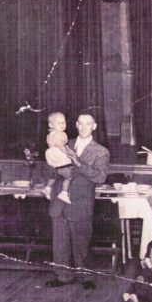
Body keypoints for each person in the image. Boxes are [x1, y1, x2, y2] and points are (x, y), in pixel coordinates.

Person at [45, 112, 109, 290]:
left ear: (94, 126)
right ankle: (63, 276)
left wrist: (79, 163)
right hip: (59, 201)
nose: (83, 127)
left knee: (81, 242)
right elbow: (48, 169)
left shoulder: (101, 151)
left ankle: (85, 276)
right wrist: (58, 172)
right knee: (59, 242)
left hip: (81, 203)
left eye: (88, 124)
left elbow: (100, 177)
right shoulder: (63, 142)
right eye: (80, 123)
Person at [44, 111, 73, 205]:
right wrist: (67, 152)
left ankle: (47, 188)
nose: (62, 124)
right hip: (59, 154)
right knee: (69, 174)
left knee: (55, 174)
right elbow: (61, 145)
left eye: (63, 122)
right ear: (51, 125)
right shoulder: (60, 134)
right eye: (58, 123)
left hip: (52, 155)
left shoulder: (50, 134)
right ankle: (64, 193)